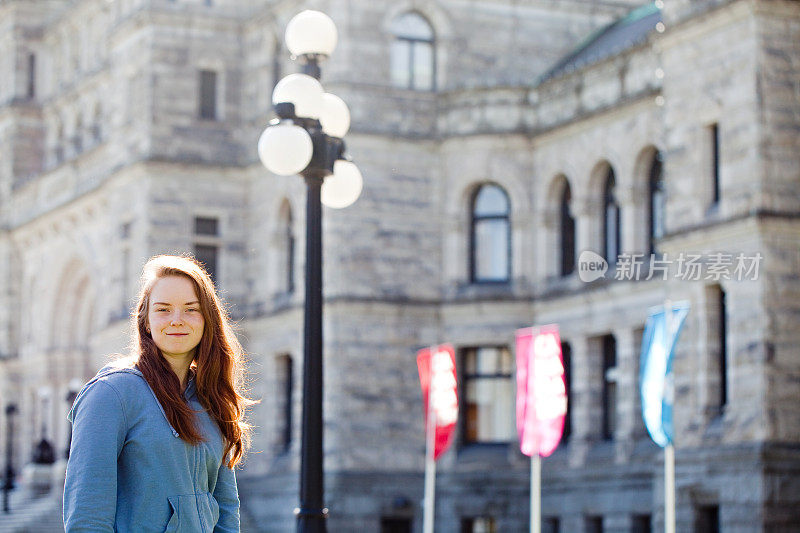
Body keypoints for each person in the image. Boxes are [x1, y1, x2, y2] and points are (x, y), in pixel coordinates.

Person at [63, 255, 256, 532]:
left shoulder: (210, 398)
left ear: (208, 319)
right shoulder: (110, 394)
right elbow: (87, 517)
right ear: (146, 320)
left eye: (191, 309)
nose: (177, 320)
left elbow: (226, 509)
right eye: (163, 309)